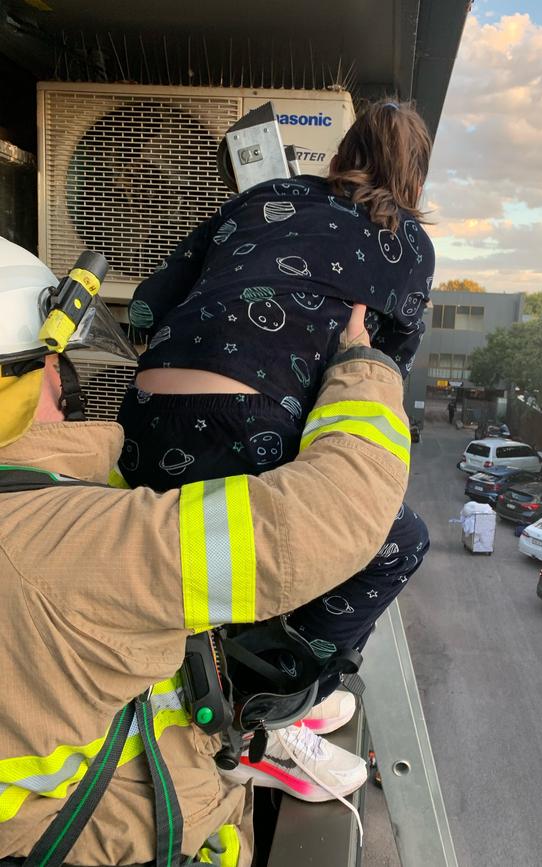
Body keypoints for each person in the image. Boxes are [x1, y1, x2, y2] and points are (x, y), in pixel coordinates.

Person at [0, 237, 410, 866]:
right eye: (54, 362)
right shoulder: (51, 542)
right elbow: (327, 518)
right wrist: (363, 366)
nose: (68, 378)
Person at [116, 100, 433, 754]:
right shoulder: (406, 242)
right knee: (394, 541)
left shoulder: (263, 196)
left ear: (343, 152)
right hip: (248, 428)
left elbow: (147, 302)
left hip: (141, 419)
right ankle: (264, 699)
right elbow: (379, 378)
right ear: (413, 177)